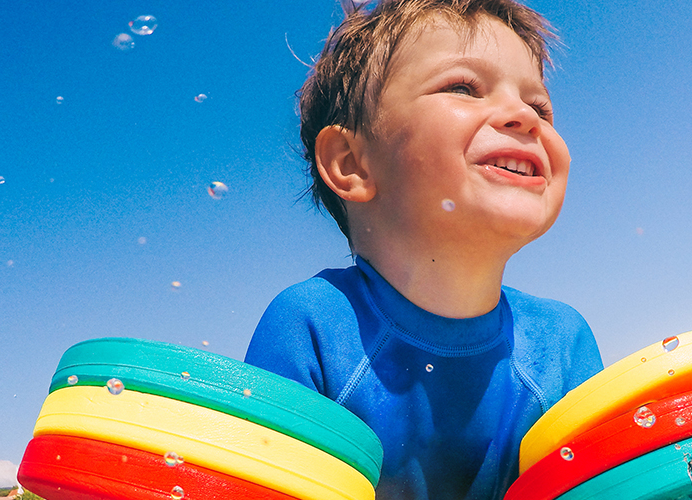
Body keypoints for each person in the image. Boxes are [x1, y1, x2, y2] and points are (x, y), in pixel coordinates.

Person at [243, 1, 603, 499]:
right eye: (463, 87)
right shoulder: (314, 327)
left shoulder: (562, 346)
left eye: (539, 106)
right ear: (352, 163)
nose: (524, 116)